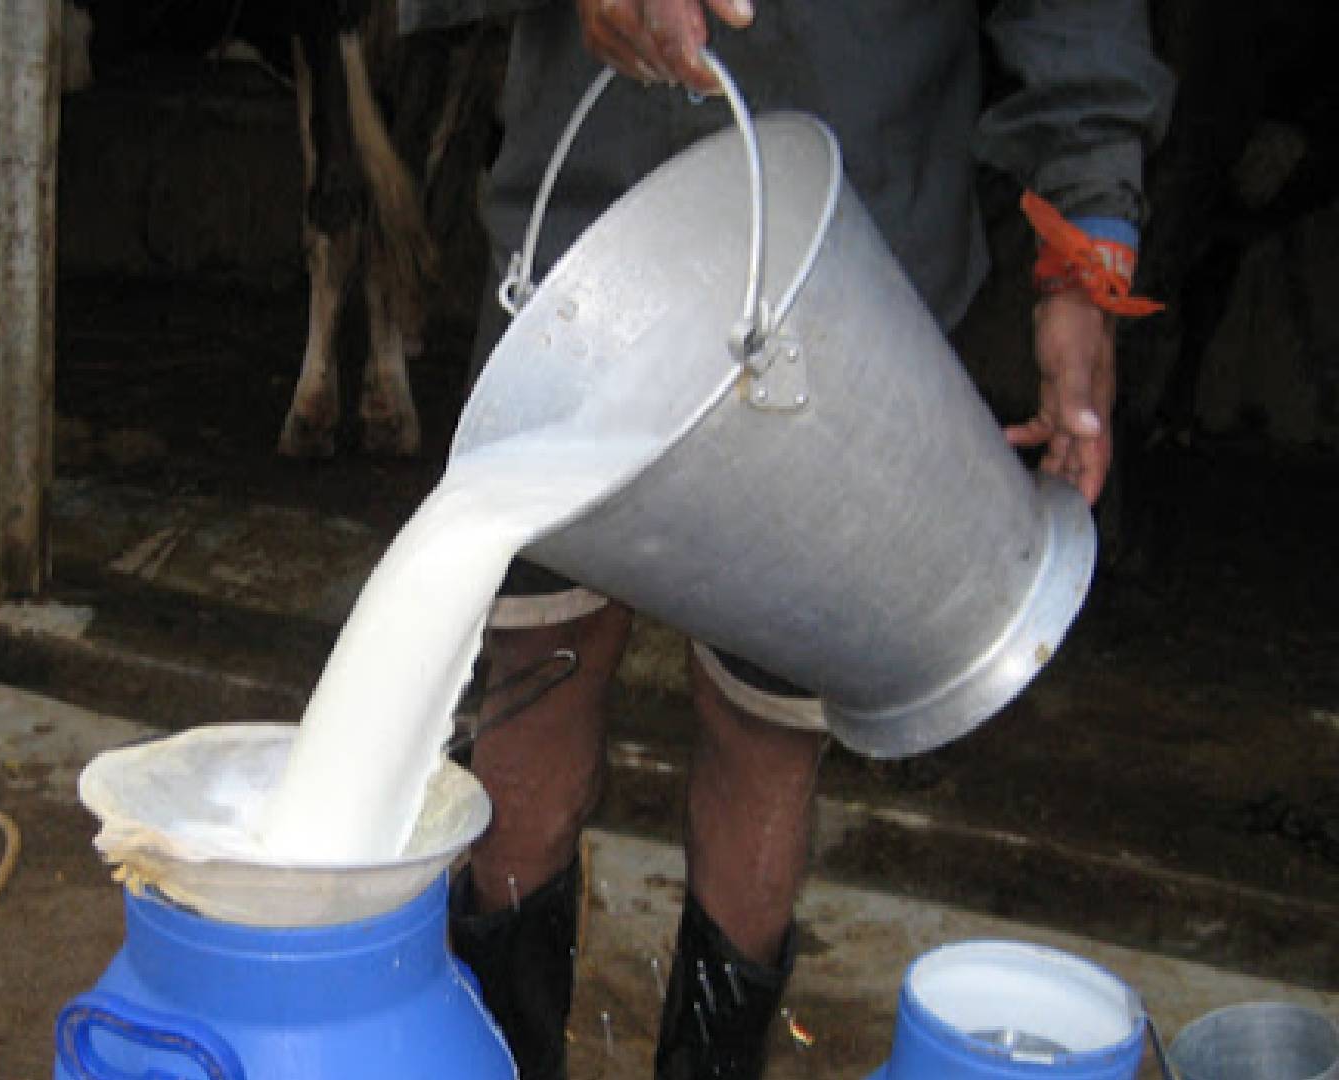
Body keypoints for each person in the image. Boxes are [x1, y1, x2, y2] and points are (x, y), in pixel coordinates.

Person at [396, 0, 1176, 1077]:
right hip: (585, 260)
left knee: (766, 727)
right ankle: (499, 1058)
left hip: (838, 274)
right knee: (534, 678)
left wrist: (1087, 239)